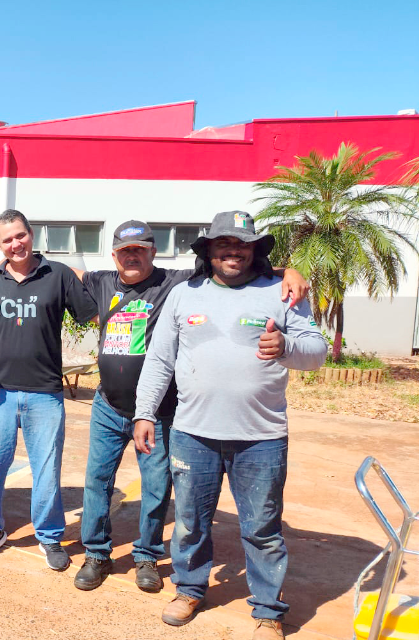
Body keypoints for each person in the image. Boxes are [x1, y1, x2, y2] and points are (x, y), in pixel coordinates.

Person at [74, 222, 309, 594]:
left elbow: (235, 264)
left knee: (155, 488)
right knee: (97, 483)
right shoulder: (102, 281)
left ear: (153, 252)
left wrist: (289, 272)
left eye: (140, 249)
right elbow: (64, 273)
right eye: (124, 251)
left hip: (160, 410)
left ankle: (147, 556)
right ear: (114, 255)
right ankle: (97, 554)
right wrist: (1, 267)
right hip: (108, 405)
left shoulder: (178, 282)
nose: (132, 256)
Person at [133, 210, 327, 640]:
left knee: (262, 529)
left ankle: (267, 612)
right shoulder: (184, 295)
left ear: (256, 249)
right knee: (190, 521)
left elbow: (315, 352)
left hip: (261, 435)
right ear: (208, 250)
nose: (233, 250)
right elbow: (160, 360)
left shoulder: (283, 294)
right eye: (224, 243)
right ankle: (189, 589)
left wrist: (288, 347)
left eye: (243, 243)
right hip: (192, 433)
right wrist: (145, 413)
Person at [0, 209, 97, 571]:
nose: (15, 244)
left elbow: (91, 315)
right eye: (6, 240)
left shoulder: (57, 275)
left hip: (44, 393)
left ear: (31, 234)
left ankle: (49, 536)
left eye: (20, 236)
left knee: (46, 469)